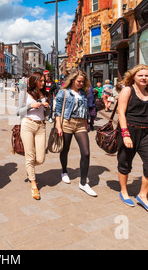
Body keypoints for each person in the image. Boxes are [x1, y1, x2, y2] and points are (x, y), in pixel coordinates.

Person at [117, 64, 148, 216]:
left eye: (147, 76)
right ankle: (124, 191)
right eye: (141, 75)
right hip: (129, 130)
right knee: (125, 163)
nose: (144, 78)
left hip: (146, 134)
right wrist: (125, 134)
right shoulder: (127, 90)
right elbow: (121, 112)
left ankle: (142, 195)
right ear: (133, 77)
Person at [54, 69, 97, 197]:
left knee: (86, 152)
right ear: (72, 80)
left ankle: (83, 183)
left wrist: (86, 124)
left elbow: (85, 109)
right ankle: (64, 171)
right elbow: (57, 110)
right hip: (67, 122)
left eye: (83, 82)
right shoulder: (64, 92)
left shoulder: (84, 93)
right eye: (78, 81)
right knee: (65, 149)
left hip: (80, 125)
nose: (80, 83)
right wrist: (58, 126)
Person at [17, 72, 50, 200]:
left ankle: (29, 166)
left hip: (41, 126)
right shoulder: (24, 93)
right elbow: (17, 111)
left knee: (41, 158)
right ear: (34, 81)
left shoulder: (45, 94)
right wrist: (30, 106)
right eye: (40, 81)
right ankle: (34, 184)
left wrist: (47, 107)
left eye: (43, 81)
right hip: (28, 125)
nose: (42, 83)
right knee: (30, 155)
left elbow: (46, 113)